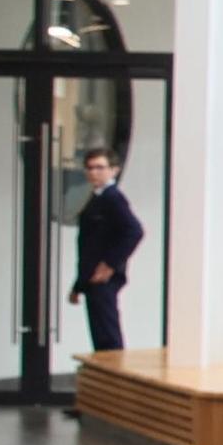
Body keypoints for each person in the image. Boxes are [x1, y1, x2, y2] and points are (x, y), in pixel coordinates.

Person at [70, 148, 144, 359]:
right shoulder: (98, 197)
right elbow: (90, 245)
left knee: (107, 334)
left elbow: (134, 231)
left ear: (113, 170)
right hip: (93, 277)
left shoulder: (113, 198)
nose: (94, 172)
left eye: (100, 168)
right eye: (90, 168)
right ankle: (107, 369)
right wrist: (79, 285)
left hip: (104, 278)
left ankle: (114, 372)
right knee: (100, 332)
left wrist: (110, 264)